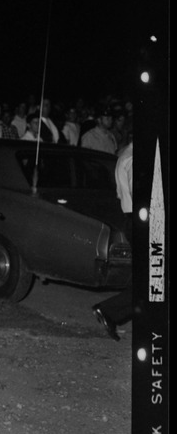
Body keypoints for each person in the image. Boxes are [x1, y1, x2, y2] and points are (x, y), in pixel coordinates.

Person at [92, 140, 133, 340]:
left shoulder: (123, 157)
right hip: (143, 220)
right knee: (153, 280)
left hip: (133, 219)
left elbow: (121, 194)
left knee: (144, 278)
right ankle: (109, 310)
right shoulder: (134, 158)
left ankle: (110, 311)